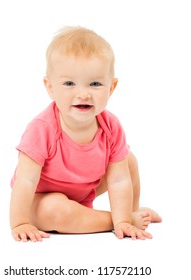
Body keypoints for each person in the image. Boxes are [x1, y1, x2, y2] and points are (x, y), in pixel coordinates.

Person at [10, 26, 162, 242]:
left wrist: (124, 223)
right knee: (55, 209)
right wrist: (20, 222)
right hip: (41, 199)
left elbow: (118, 181)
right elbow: (25, 180)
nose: (83, 94)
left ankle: (129, 215)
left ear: (111, 88)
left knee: (127, 161)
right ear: (50, 87)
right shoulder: (42, 129)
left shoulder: (111, 126)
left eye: (95, 84)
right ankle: (116, 218)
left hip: (83, 189)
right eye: (69, 83)